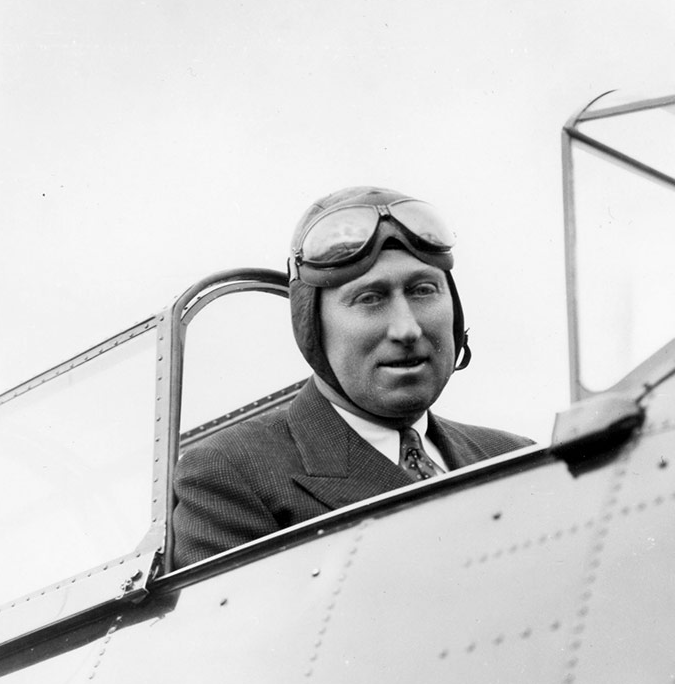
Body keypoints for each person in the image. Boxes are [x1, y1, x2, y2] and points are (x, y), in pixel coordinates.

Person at [172, 186, 533, 567]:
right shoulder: (229, 474)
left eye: (423, 290)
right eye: (370, 299)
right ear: (313, 326)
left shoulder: (518, 457)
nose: (407, 329)